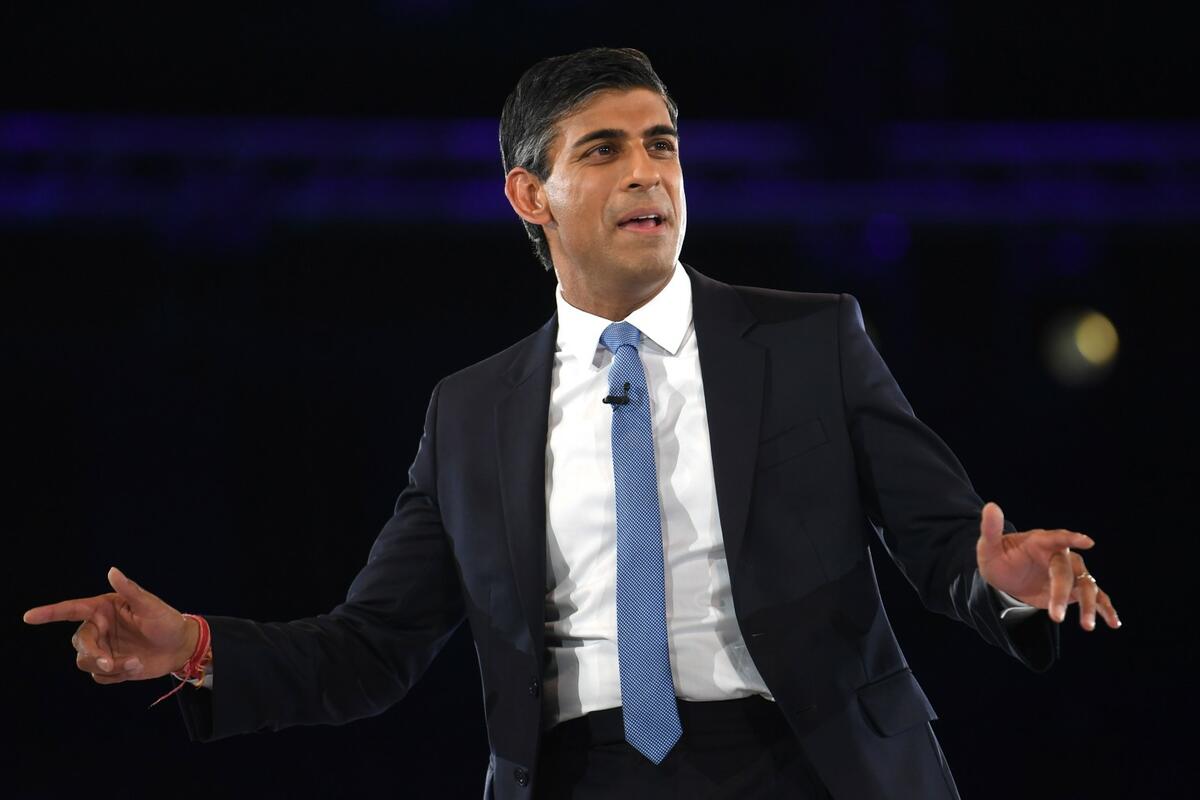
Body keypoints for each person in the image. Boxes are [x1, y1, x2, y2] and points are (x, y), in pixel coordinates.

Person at [23, 47, 1120, 799]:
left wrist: (1001, 579)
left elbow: (943, 540)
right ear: (529, 195)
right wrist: (196, 646)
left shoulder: (809, 339)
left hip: (811, 762)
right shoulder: (470, 413)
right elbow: (372, 648)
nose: (647, 172)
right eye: (603, 150)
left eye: (662, 144)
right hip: (581, 774)